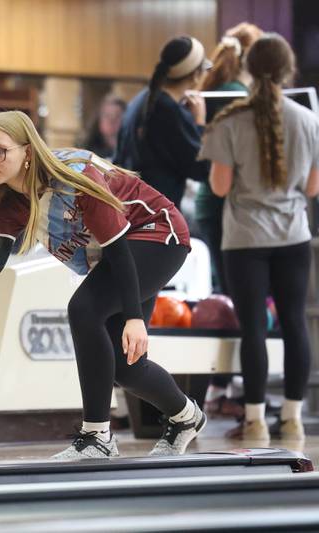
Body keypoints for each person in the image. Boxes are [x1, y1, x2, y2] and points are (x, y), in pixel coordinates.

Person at [0, 110, 205, 460]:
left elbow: (118, 250)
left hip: (158, 235)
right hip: (122, 254)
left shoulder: (75, 179)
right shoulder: (9, 200)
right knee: (126, 368)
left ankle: (97, 436)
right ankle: (186, 417)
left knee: (84, 309)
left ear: (27, 152)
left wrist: (134, 317)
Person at [199, 33, 319, 442]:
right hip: (293, 237)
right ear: (289, 70)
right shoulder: (308, 120)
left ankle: (253, 420)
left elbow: (218, 187)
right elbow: (313, 188)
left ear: (249, 70)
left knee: (252, 328)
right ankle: (292, 417)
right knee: (294, 324)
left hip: (245, 240)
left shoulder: (229, 121)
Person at [196, 22, 262, 419]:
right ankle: (229, 387)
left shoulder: (220, 88)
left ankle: (221, 385)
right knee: (240, 299)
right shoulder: (238, 94)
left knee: (228, 294)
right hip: (225, 202)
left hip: (212, 201)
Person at [115, 36, 211, 209]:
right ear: (196, 75)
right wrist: (199, 123)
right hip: (158, 215)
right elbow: (201, 168)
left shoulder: (141, 100)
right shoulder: (170, 112)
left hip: (131, 207)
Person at [79, 95, 126, 161]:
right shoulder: (87, 153)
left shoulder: (132, 151)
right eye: (107, 116)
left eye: (117, 115)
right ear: (98, 121)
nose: (112, 120)